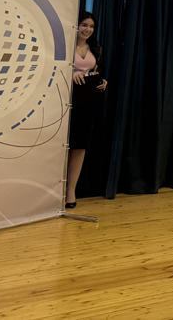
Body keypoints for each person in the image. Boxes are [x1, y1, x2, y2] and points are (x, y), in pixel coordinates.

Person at [66, 11, 108, 208]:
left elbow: (95, 71)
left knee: (79, 146)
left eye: (91, 26)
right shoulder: (66, 46)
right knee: (63, 146)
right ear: (76, 25)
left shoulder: (95, 49)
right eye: (84, 25)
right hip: (65, 100)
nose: (88, 29)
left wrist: (102, 81)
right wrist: (71, 74)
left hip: (87, 102)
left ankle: (71, 191)